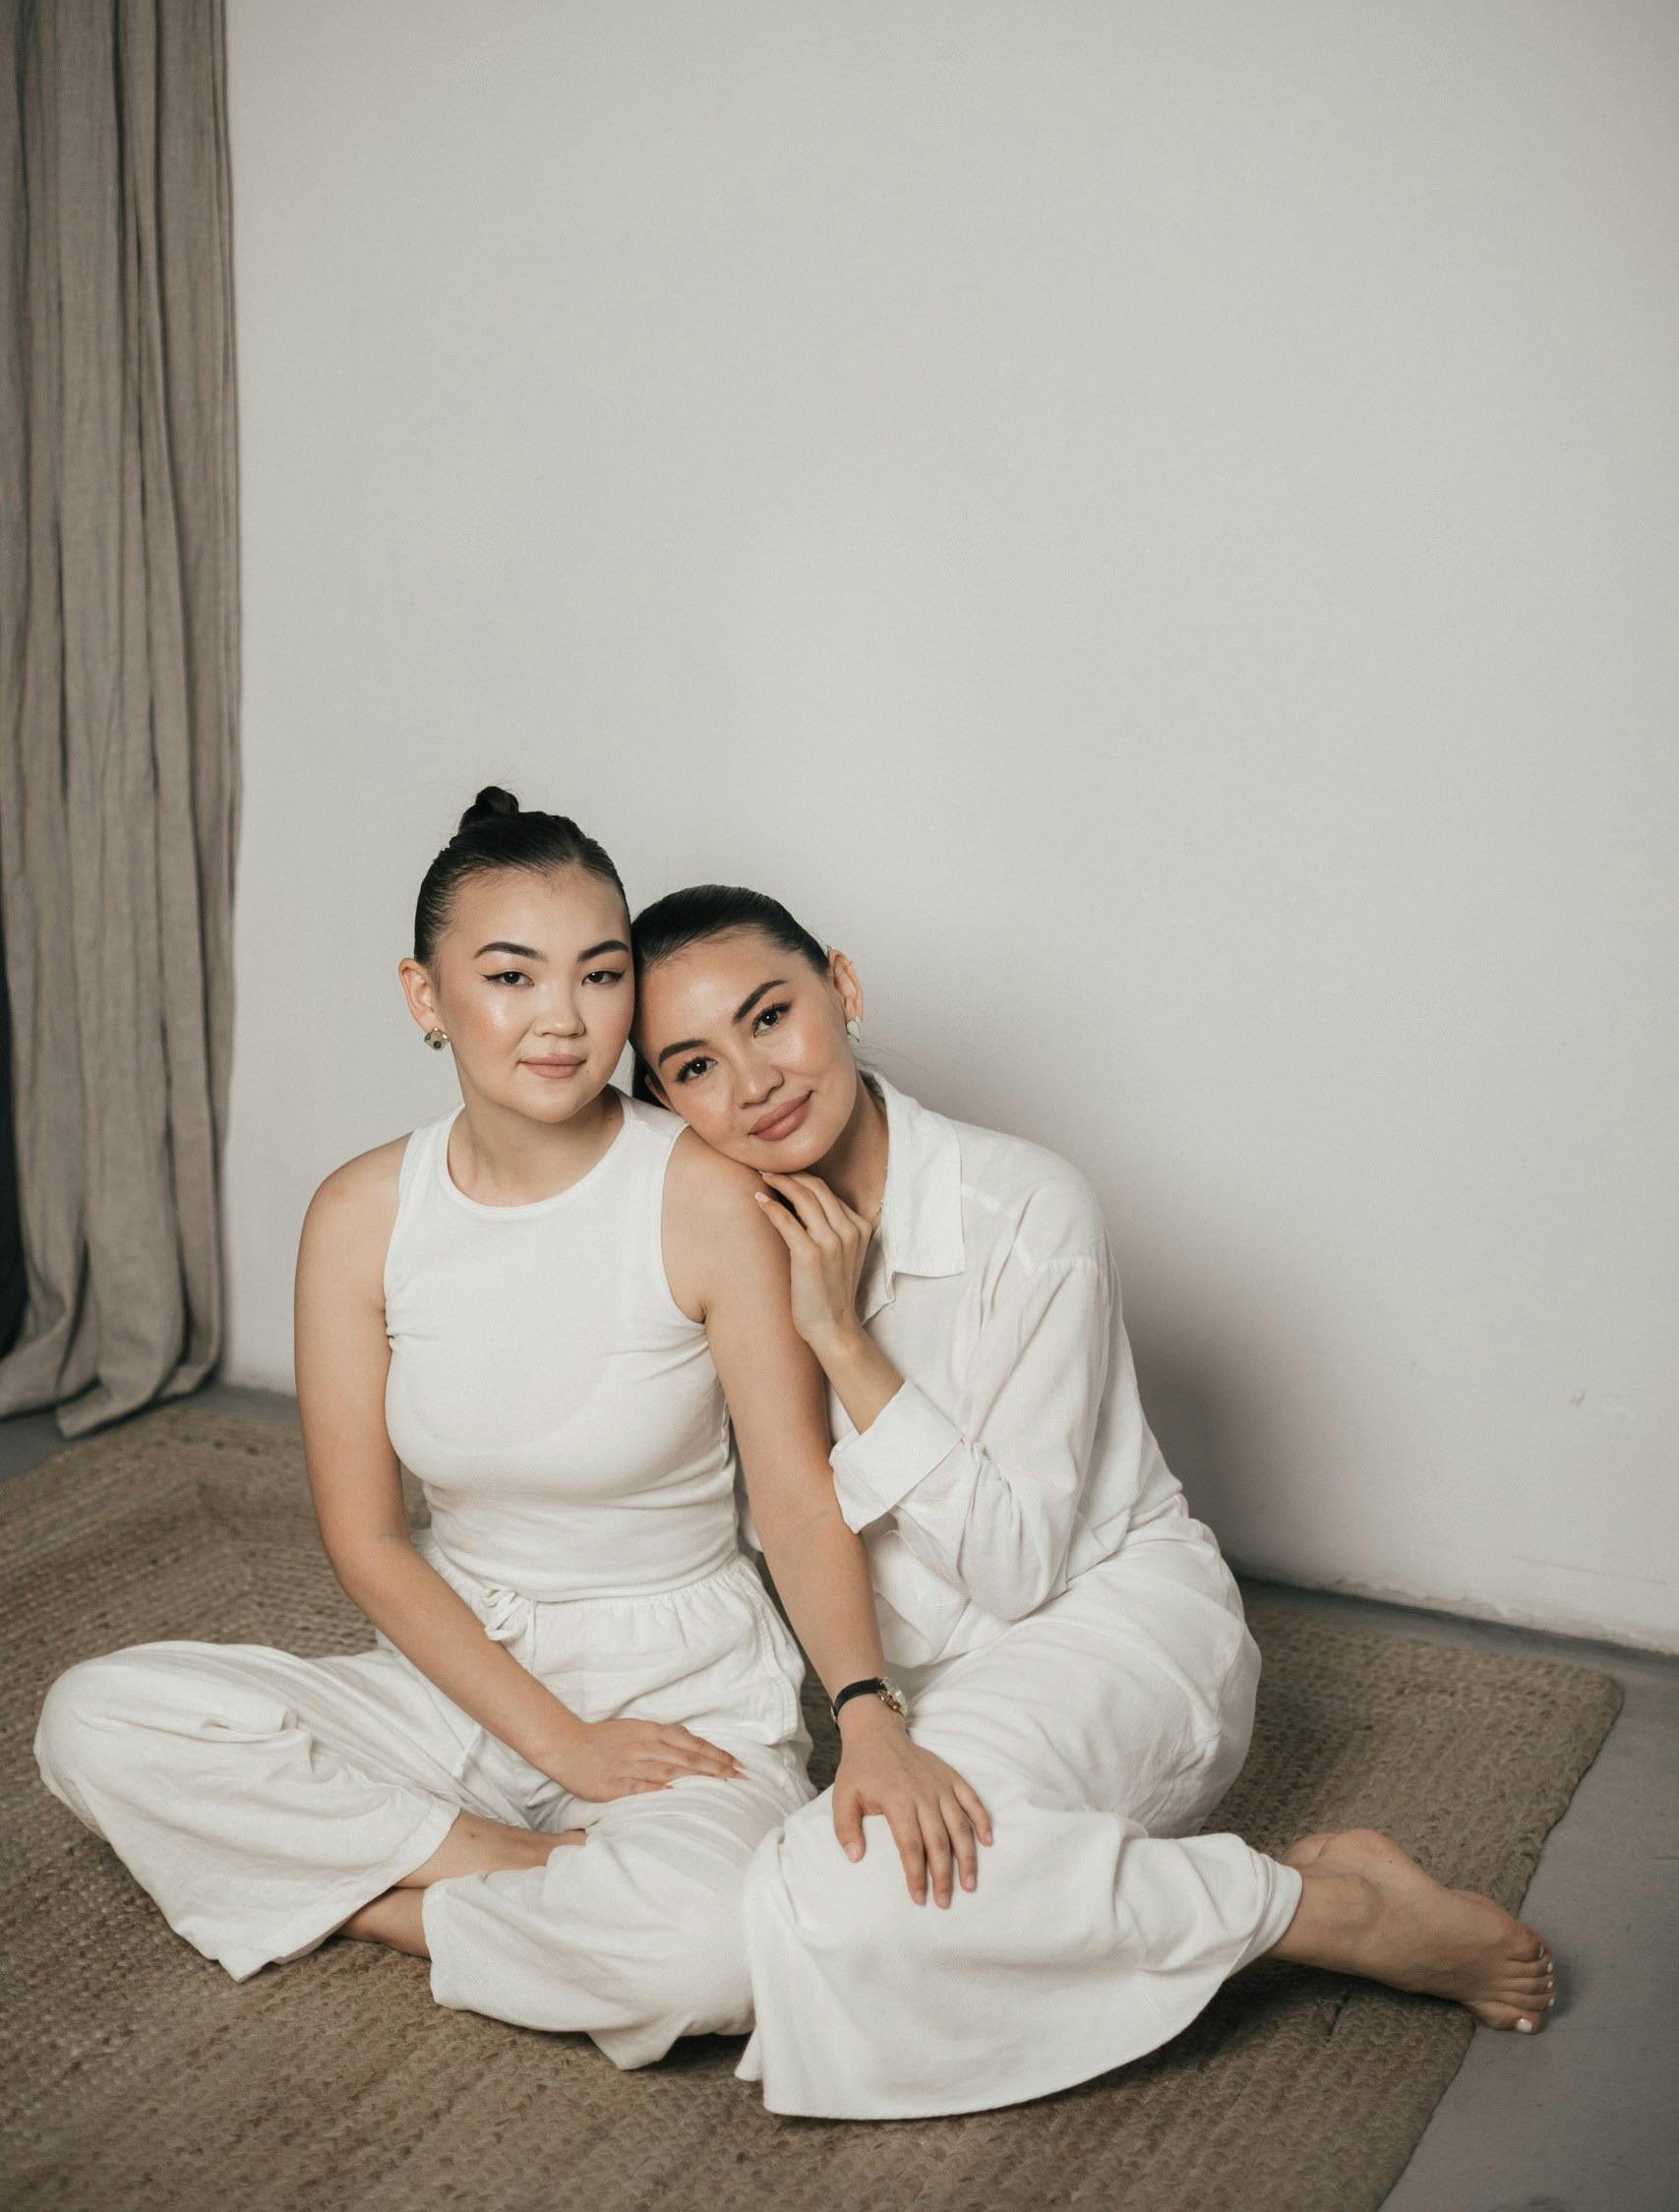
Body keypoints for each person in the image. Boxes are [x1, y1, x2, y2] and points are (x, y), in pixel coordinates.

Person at [33, 791, 989, 2072]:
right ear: (424, 996)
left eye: (599, 977)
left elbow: (796, 1493)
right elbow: (368, 1544)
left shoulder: (702, 1196)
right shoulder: (362, 1214)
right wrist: (556, 1754)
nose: (560, 1020)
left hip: (680, 1686)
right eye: (508, 975)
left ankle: (373, 1893)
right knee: (91, 1720)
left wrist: (864, 1713)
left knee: (717, 1954)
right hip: (453, 1673)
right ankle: (509, 1877)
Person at [630, 884, 1559, 2119]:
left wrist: (845, 1341)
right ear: (667, 1106)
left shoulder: (1024, 1205)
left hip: (1116, 1626)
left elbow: (1015, 1567)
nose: (753, 1081)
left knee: (833, 1897)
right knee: (789, 1911)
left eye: (771, 1016)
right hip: (911, 1697)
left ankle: (1322, 1915)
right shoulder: (713, 1249)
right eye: (695, 1064)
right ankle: (1276, 1892)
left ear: (841, 988)